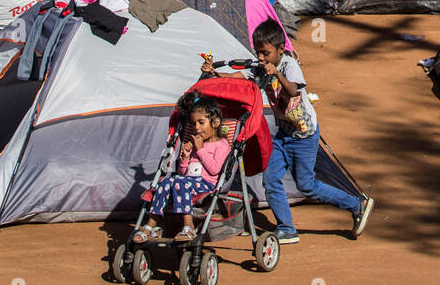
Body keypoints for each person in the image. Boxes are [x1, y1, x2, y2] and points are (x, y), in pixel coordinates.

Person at [205, 20, 375, 244]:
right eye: (258, 52)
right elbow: (241, 77)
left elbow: (294, 90)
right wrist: (215, 74)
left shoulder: (288, 65)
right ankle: (287, 228)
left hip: (304, 135)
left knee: (306, 185)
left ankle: (357, 204)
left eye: (265, 53)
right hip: (284, 134)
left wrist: (276, 73)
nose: (261, 58)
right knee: (271, 179)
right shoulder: (262, 67)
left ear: (280, 50)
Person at [131, 93, 231, 245]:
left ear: (215, 123)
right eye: (193, 123)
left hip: (206, 184)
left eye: (201, 123)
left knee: (179, 183)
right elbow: (183, 173)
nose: (197, 128)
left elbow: (215, 169)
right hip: (187, 182)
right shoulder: (193, 144)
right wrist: (184, 158)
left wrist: (201, 149)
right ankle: (152, 225)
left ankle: (188, 226)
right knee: (165, 181)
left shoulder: (221, 145)